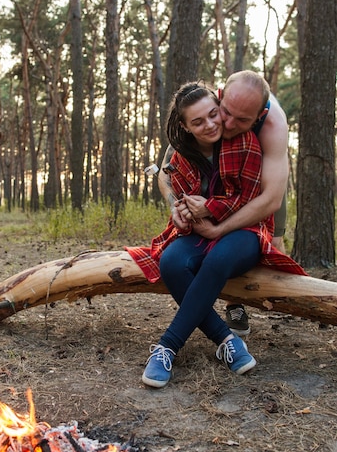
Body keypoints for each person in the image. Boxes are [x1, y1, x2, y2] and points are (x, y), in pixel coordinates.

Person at [126, 80, 305, 388]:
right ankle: (227, 341)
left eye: (213, 116)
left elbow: (261, 199)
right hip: (202, 232)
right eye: (198, 121)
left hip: (245, 229)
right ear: (186, 126)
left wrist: (210, 209)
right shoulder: (184, 149)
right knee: (170, 262)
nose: (213, 124)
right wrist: (180, 210)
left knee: (219, 259)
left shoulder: (251, 139)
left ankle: (167, 346)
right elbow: (173, 184)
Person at [158, 70, 289, 336]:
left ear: (258, 117)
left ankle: (261, 297)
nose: (226, 124)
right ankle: (231, 309)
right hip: (221, 189)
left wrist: (219, 229)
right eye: (224, 112)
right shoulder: (206, 106)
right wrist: (175, 206)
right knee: (200, 252)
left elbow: (271, 198)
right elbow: (165, 172)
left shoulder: (273, 125)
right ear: (219, 97)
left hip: (265, 184)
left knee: (272, 243)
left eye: (241, 120)